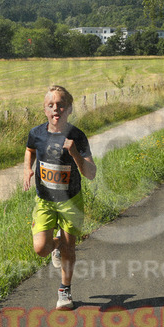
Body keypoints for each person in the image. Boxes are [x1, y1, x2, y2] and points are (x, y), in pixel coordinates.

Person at [23, 85, 96, 310]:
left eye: (61, 105)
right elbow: (30, 150)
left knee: (69, 247)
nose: (56, 109)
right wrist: (27, 169)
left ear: (70, 109)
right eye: (51, 105)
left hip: (71, 201)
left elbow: (91, 173)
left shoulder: (78, 136)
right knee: (40, 249)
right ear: (45, 110)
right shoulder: (36, 133)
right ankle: (56, 245)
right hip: (45, 200)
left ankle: (65, 291)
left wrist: (74, 154)